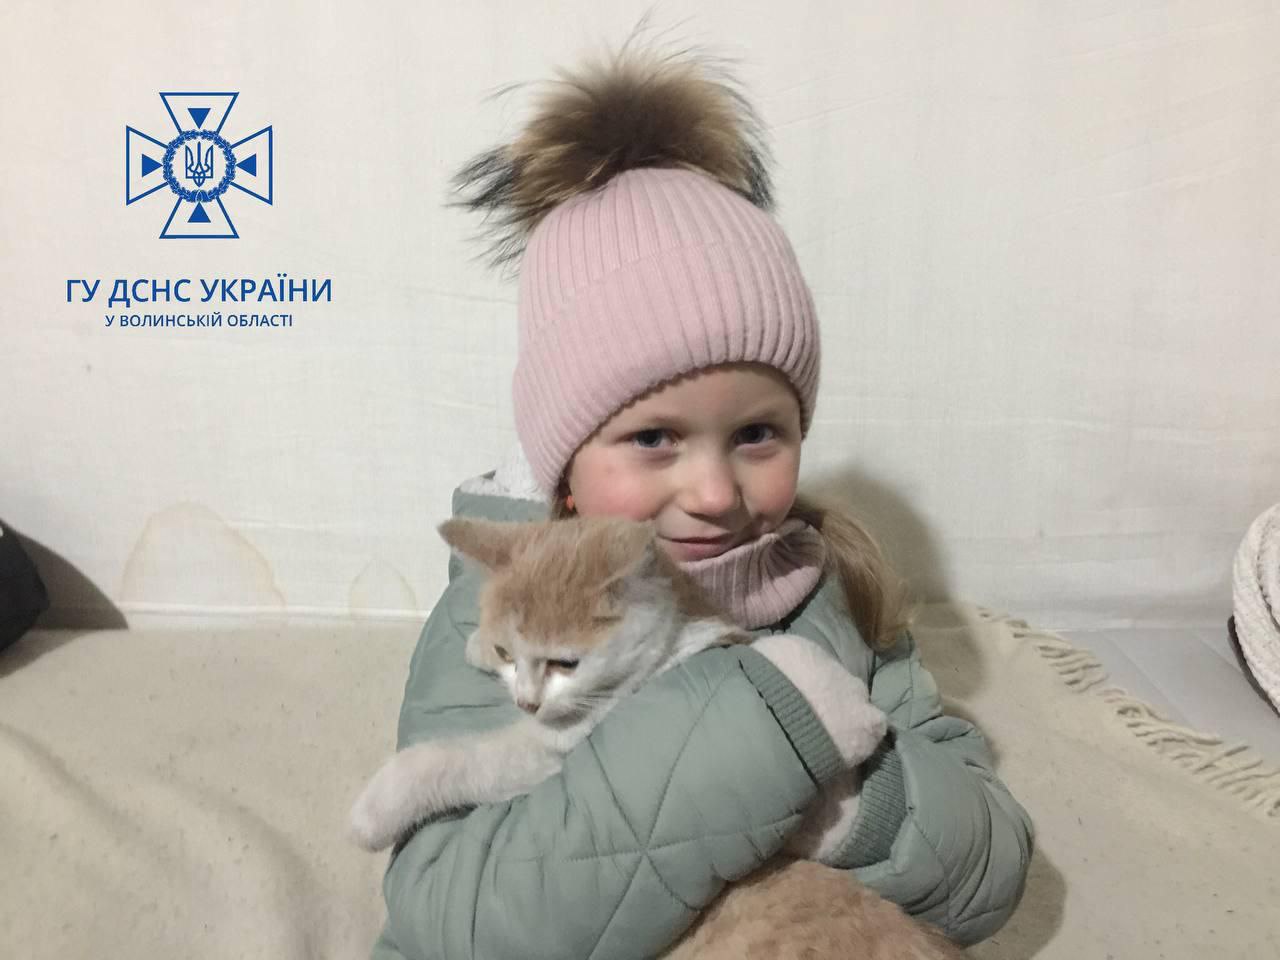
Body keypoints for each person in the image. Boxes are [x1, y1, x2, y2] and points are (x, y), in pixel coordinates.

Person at [370, 28, 1033, 960]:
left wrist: (843, 807)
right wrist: (766, 732)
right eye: (653, 439)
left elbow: (991, 866)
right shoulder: (503, 612)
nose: (717, 493)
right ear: (563, 466)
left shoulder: (828, 586)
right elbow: (452, 916)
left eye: (758, 434)